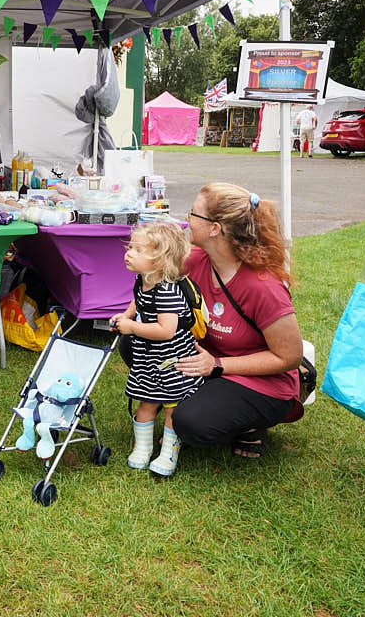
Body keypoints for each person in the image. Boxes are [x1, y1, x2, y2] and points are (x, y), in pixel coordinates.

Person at [172, 183, 304, 460]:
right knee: (135, 344)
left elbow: (290, 357)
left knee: (190, 423)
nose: (187, 219)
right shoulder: (196, 261)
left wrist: (217, 365)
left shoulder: (264, 287)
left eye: (193, 213)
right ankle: (206, 400)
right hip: (210, 363)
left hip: (261, 381)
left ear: (215, 228)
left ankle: (251, 424)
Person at [109, 221, 201, 477]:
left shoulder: (167, 292)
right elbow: (137, 301)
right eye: (130, 247)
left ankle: (169, 451)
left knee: (172, 405)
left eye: (138, 250)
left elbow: (166, 331)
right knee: (147, 400)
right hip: (149, 355)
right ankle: (143, 447)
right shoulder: (144, 279)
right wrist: (126, 315)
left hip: (172, 359)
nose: (129, 253)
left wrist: (132, 328)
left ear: (160, 261)